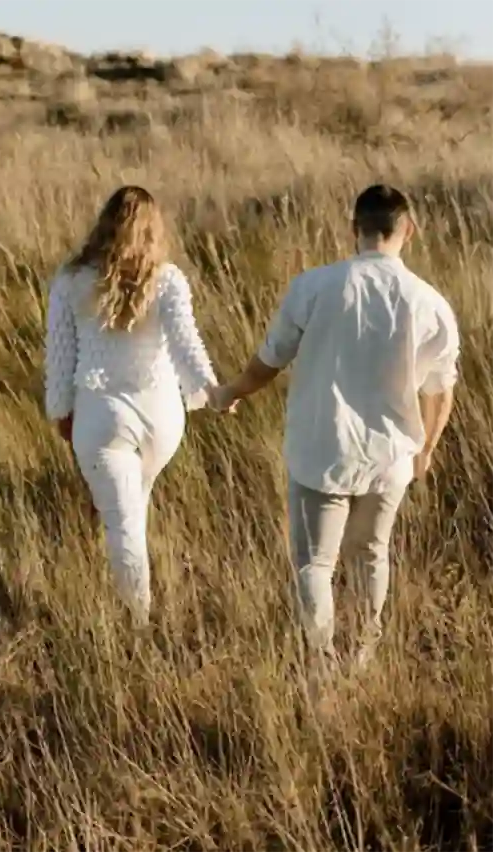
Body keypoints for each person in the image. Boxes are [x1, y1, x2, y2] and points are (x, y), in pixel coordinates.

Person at [211, 184, 460, 671]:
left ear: (353, 229)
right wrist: (427, 448)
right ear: (408, 230)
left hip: (321, 446)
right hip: (391, 454)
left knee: (315, 563)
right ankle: (363, 654)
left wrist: (231, 392)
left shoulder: (314, 287)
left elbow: (268, 363)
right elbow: (441, 391)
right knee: (371, 553)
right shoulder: (429, 302)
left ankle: (322, 662)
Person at [44, 185, 225, 626]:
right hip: (162, 417)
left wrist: (60, 411)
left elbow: (60, 357)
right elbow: (186, 344)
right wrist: (210, 390)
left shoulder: (71, 281)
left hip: (102, 417)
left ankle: (137, 628)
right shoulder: (168, 279)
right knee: (132, 510)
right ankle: (137, 611)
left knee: (122, 524)